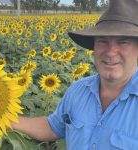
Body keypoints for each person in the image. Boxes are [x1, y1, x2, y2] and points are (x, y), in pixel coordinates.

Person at [11, 0, 138, 149]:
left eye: (123, 42)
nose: (110, 52)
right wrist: (5, 119)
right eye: (103, 41)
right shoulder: (77, 90)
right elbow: (53, 127)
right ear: (94, 48)